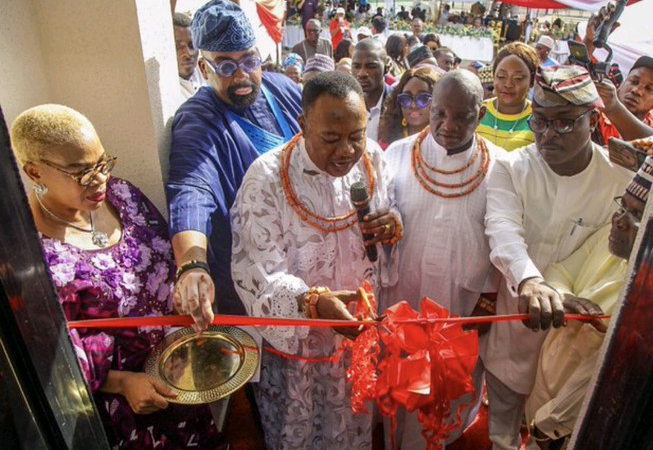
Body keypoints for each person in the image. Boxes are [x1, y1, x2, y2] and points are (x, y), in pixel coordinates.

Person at [10, 104, 229, 450]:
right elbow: (54, 356)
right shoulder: (34, 255)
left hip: (181, 380)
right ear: (34, 172)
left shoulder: (124, 197)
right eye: (80, 172)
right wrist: (124, 382)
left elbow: (167, 268)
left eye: (101, 164)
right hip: (127, 409)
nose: (99, 180)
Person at [230, 71, 402, 450]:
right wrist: (313, 303)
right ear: (302, 123)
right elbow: (256, 272)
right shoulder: (266, 179)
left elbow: (392, 216)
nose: (346, 151)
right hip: (300, 354)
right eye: (331, 138)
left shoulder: (372, 158)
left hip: (357, 338)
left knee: (354, 428)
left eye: (355, 136)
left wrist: (391, 226)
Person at [480, 65, 632, 450]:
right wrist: (530, 281)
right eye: (540, 121)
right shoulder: (512, 167)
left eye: (563, 123)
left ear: (593, 120)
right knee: (501, 436)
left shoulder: (619, 179)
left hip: (576, 347)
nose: (548, 134)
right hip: (514, 335)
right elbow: (502, 230)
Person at [382, 70, 502, 448]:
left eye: (462, 117)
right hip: (405, 297)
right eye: (439, 114)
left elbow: (505, 237)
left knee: (445, 398)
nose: (448, 126)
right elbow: (381, 211)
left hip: (461, 303)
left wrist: (489, 298)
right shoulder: (399, 153)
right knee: (400, 388)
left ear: (480, 115)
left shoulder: (501, 166)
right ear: (429, 108)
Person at [166, 0, 302, 325]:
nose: (242, 75)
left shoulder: (281, 89)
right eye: (225, 66)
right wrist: (192, 264)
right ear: (203, 68)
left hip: (310, 261)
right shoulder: (199, 119)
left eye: (249, 61)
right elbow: (191, 190)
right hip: (258, 281)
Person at [525, 155, 653, 450]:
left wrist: (548, 428)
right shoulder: (609, 239)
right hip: (546, 382)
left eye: (635, 215)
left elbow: (597, 378)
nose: (619, 220)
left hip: (568, 423)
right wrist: (563, 296)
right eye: (622, 205)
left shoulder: (651, 296)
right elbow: (559, 271)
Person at [594, 56, 653, 145]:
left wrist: (614, 109)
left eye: (649, 88)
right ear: (621, 86)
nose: (637, 91)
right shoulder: (594, 112)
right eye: (634, 81)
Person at [476, 42, 538, 151]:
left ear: (532, 82)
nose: (508, 84)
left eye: (518, 78)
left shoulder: (539, 119)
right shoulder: (476, 112)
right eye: (501, 76)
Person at [377, 67, 440, 149]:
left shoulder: (445, 142)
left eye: (423, 99)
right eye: (406, 98)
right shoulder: (387, 144)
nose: (413, 105)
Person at [352, 38, 393, 142]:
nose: (361, 73)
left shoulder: (398, 105)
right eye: (356, 66)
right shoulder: (345, 104)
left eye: (371, 66)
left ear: (386, 68)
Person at [173, 12, 203, 100]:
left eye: (192, 45)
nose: (188, 53)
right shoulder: (166, 91)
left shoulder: (207, 72)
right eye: (178, 47)